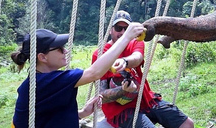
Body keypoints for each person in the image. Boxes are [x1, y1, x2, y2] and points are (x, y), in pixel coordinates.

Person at [11, 23, 145, 128]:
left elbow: (48, 117)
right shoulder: (45, 81)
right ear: (42, 57)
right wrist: (126, 37)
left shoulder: (40, 80)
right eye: (60, 48)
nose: (66, 51)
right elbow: (94, 73)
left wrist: (81, 113)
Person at [92, 10, 194, 128]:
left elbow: (138, 57)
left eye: (127, 29)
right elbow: (102, 96)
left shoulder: (136, 43)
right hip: (121, 112)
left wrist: (125, 61)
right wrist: (124, 90)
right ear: (111, 30)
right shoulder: (100, 55)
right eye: (118, 28)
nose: (123, 32)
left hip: (146, 101)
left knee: (187, 124)